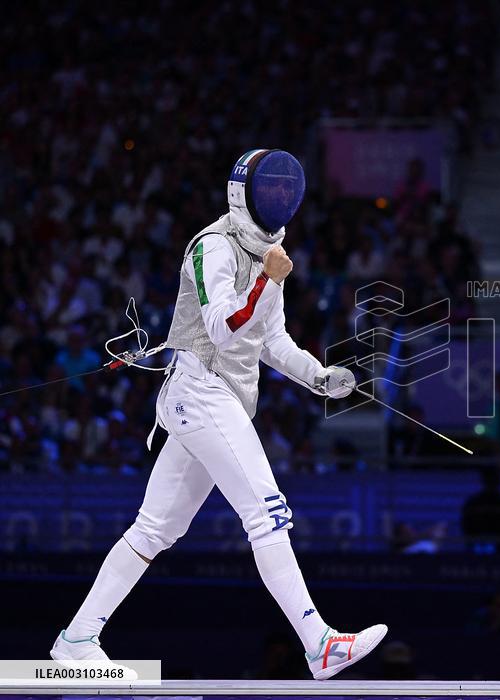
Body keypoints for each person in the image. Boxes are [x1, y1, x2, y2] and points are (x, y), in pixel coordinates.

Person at [50, 149, 387, 679]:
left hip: (218, 400)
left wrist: (319, 377)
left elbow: (271, 339)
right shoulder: (214, 247)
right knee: (267, 514)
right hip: (200, 391)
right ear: (243, 194)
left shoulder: (270, 252)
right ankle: (319, 643)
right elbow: (223, 328)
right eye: (271, 188)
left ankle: (76, 640)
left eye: (286, 189)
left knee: (153, 530)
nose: (280, 197)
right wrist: (268, 281)